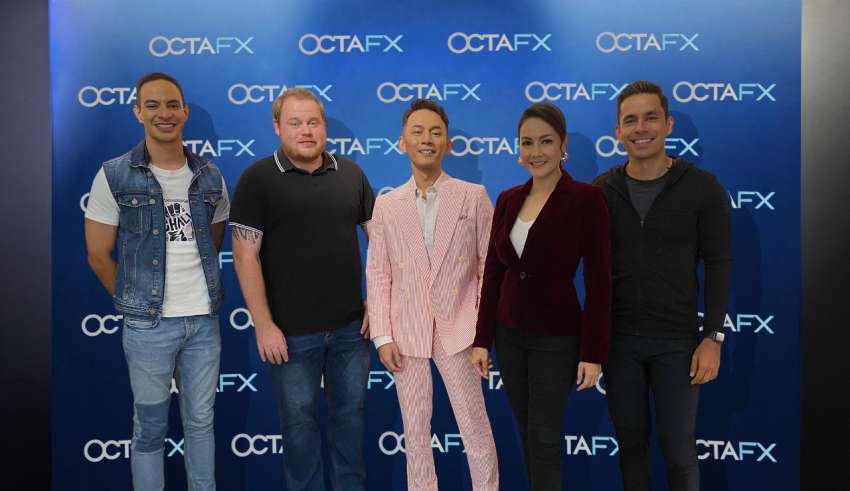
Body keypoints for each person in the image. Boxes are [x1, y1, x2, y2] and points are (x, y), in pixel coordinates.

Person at [84, 72, 229, 491]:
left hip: (203, 322)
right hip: (148, 327)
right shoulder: (114, 175)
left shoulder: (211, 177)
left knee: (201, 423)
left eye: (171, 105)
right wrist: (135, 303)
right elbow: (98, 254)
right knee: (149, 428)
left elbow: (213, 242)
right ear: (138, 112)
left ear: (184, 112)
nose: (163, 113)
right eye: (152, 105)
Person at [229, 88, 374, 491]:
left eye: (313, 122)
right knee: (298, 433)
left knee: (350, 427)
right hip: (290, 336)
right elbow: (244, 256)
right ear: (277, 127)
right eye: (295, 123)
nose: (306, 131)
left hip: (351, 333)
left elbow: (381, 244)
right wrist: (263, 324)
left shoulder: (352, 175)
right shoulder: (257, 180)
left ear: (324, 126)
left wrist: (378, 301)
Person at [593, 80, 732, 491]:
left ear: (668, 124)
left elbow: (719, 264)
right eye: (630, 120)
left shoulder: (702, 187)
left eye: (650, 117)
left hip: (678, 343)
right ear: (618, 131)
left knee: (679, 450)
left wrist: (713, 337)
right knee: (631, 449)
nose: (641, 128)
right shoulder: (600, 191)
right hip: (619, 344)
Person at [470, 102, 612, 490]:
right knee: (527, 431)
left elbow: (599, 282)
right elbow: (493, 275)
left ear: (563, 145)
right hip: (509, 335)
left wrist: (593, 352)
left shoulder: (587, 199)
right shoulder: (508, 199)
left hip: (557, 337)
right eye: (527, 142)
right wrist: (482, 340)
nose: (536, 151)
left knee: (545, 437)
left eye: (546, 141)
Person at [366, 98, 499, 491]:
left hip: (461, 331)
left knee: (475, 426)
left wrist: (482, 334)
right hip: (406, 333)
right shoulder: (387, 205)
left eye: (436, 132)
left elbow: (489, 268)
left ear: (448, 144)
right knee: (415, 431)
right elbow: (378, 272)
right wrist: (383, 335)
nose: (427, 139)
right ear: (402, 142)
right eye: (418, 132)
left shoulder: (473, 196)